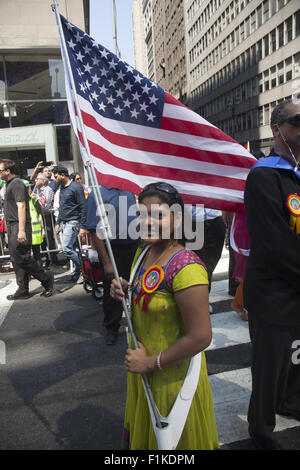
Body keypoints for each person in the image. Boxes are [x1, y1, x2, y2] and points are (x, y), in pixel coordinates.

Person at [110, 182, 219, 450]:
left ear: (177, 218)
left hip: (172, 381)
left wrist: (150, 363)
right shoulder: (143, 252)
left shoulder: (187, 267)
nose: (148, 222)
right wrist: (126, 288)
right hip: (142, 372)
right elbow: (149, 295)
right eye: (141, 214)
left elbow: (201, 336)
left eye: (158, 214)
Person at [244, 99, 300, 450]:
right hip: (274, 292)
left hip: (296, 290)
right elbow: (276, 243)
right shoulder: (264, 175)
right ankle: (261, 430)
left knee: (296, 355)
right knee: (270, 366)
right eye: (298, 121)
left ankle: (291, 402)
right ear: (277, 129)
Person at [86, 184, 138, 345]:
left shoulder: (128, 188)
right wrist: (107, 261)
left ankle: (139, 322)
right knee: (113, 289)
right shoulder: (96, 193)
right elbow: (94, 230)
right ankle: (112, 327)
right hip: (112, 249)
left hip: (134, 245)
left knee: (137, 286)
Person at [0, 159, 54, 299]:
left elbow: (22, 206)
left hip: (19, 225)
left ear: (7, 171)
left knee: (22, 257)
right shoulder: (9, 184)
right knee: (16, 258)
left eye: (0, 170)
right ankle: (23, 289)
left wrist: (21, 229)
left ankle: (46, 278)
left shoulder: (17, 184)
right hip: (13, 225)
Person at [53, 165, 87, 282]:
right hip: (66, 222)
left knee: (66, 248)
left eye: (56, 176)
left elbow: (83, 207)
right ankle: (80, 273)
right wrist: (58, 222)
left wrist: (82, 226)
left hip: (74, 222)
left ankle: (83, 270)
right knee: (74, 249)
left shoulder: (76, 187)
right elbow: (63, 207)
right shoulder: (62, 188)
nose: (55, 179)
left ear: (63, 175)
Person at [230, 212, 250, 321]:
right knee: (247, 275)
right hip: (245, 235)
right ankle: (240, 305)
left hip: (252, 230)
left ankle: (241, 304)